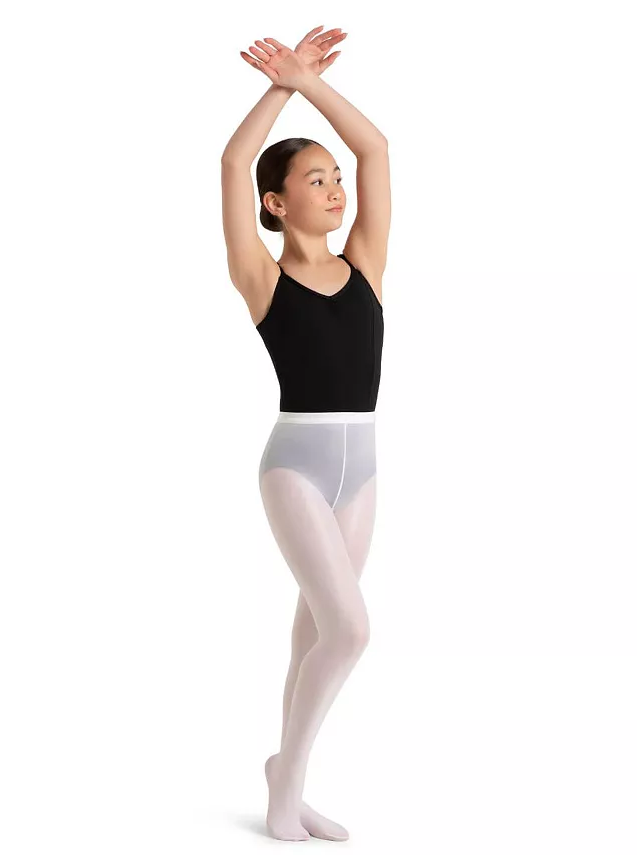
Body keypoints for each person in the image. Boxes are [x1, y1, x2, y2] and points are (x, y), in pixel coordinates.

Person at [221, 26, 391, 842]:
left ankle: (286, 776)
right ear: (276, 204)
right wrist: (281, 87)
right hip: (295, 465)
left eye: (335, 178)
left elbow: (376, 149)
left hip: (362, 467)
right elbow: (232, 164)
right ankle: (285, 779)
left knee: (314, 634)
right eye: (314, 179)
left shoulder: (366, 263)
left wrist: (314, 84)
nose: (335, 188)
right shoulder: (262, 278)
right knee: (349, 630)